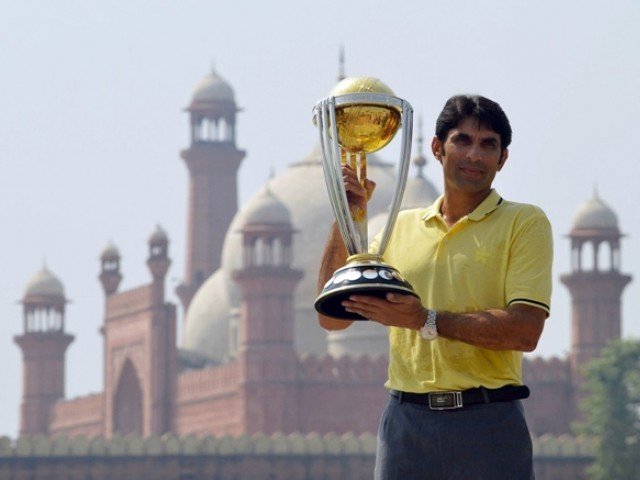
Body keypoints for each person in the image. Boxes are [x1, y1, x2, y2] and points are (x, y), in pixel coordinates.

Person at [317, 94, 553, 479]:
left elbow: (525, 330)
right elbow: (332, 319)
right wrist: (347, 215)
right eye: (463, 140)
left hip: (488, 420)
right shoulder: (399, 228)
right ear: (438, 148)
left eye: (488, 144)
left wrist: (424, 319)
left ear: (503, 159)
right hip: (407, 424)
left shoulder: (522, 224)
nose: (475, 155)